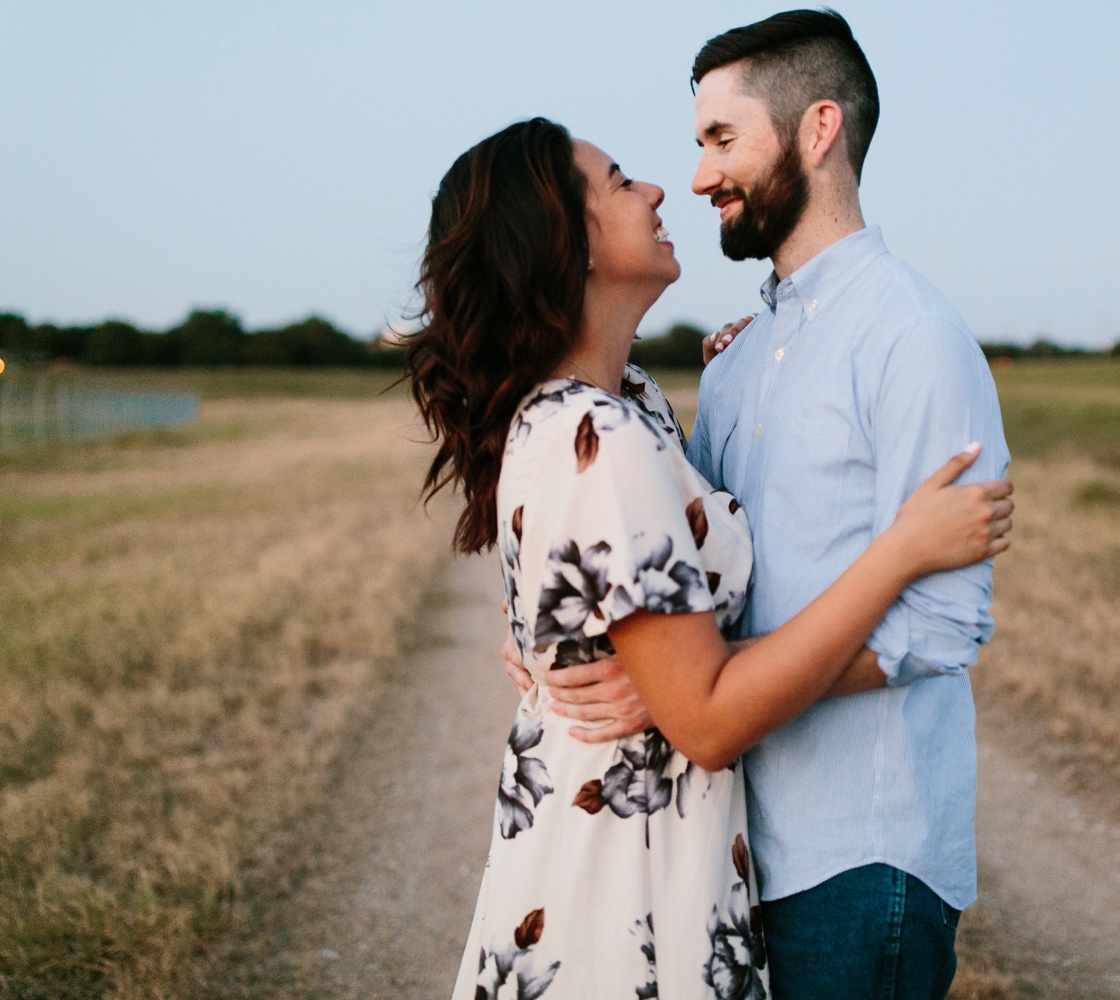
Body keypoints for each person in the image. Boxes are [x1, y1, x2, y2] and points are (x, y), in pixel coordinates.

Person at [406, 119, 1011, 999]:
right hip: (623, 864)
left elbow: (636, 582)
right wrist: (902, 552)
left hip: (672, 837)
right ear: (562, 247)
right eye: (618, 183)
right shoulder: (593, 436)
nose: (658, 189)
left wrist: (769, 358)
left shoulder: (634, 404)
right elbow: (708, 719)